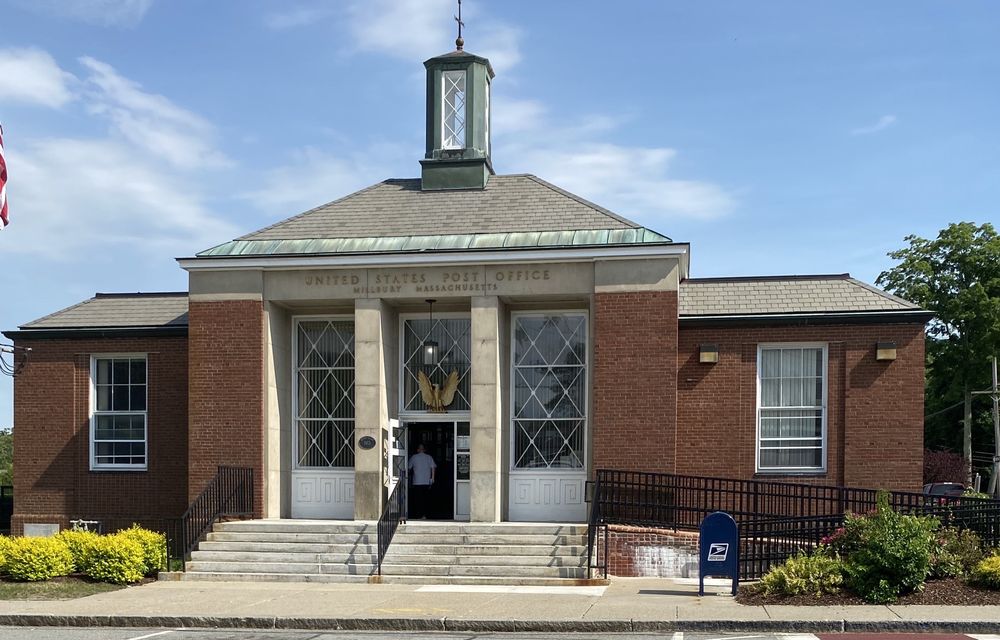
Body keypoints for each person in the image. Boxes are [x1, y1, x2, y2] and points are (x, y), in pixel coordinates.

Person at [407, 443, 436, 519]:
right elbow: (433, 468)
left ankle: (419, 515)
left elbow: (408, 468)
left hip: (417, 481)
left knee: (418, 499)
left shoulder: (414, 457)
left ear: (418, 450)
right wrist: (432, 478)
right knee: (426, 499)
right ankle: (425, 515)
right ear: (424, 450)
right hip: (426, 481)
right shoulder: (429, 457)